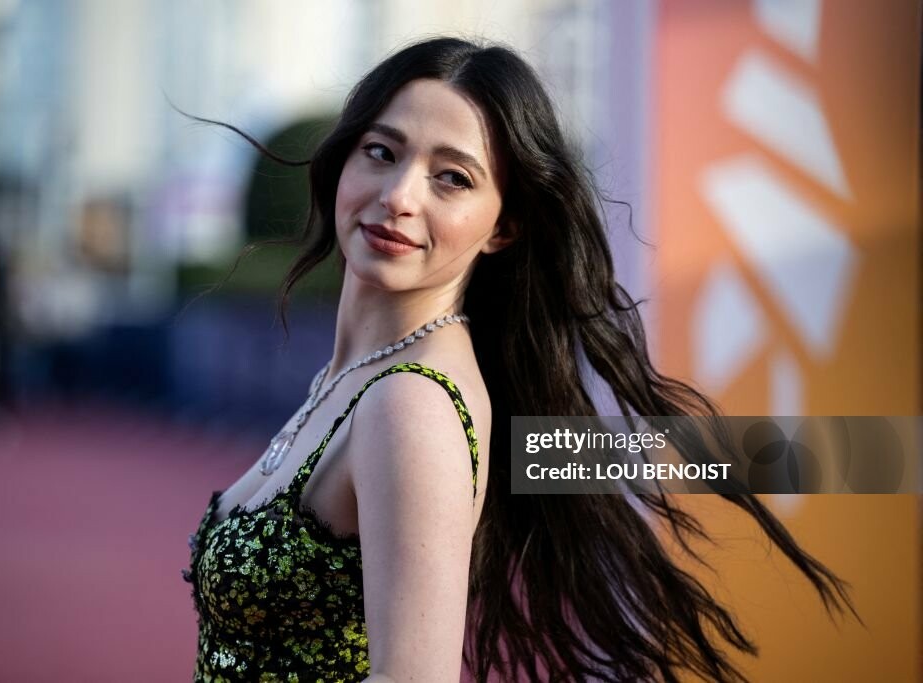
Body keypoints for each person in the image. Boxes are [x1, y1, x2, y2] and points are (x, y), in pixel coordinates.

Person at [182, 37, 856, 682]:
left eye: (452, 178)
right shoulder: (358, 376)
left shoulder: (411, 401)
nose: (400, 196)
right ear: (342, 161)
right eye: (381, 152)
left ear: (502, 226)